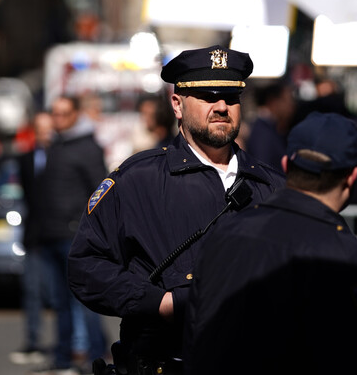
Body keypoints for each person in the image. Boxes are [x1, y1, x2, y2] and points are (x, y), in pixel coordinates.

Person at [67, 46, 285, 374]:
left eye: (231, 97)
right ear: (177, 104)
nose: (222, 107)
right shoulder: (138, 180)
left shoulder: (272, 186)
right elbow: (86, 267)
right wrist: (160, 304)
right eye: (208, 96)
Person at [183, 112, 357, 375]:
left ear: (285, 165)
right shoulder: (352, 256)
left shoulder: (225, 233)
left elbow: (195, 334)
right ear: (352, 176)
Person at [29, 96, 109, 375]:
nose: (58, 118)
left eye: (64, 113)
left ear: (76, 114)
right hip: (50, 235)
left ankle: (95, 356)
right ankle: (64, 357)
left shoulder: (87, 146)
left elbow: (101, 192)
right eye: (55, 113)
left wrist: (86, 227)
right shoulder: (54, 145)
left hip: (73, 235)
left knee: (84, 301)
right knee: (59, 302)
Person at [10, 112, 55, 366]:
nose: (44, 133)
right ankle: (32, 342)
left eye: (48, 128)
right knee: (32, 292)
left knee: (61, 295)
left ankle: (69, 346)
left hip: (60, 234)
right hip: (35, 235)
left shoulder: (63, 156)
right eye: (39, 128)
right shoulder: (25, 158)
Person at [244, 81, 295, 170]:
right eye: (287, 100)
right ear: (273, 101)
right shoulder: (262, 132)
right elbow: (263, 168)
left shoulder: (270, 128)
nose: (291, 106)